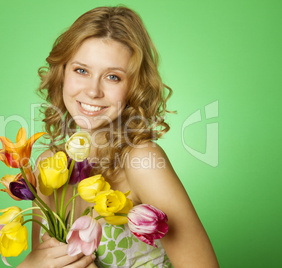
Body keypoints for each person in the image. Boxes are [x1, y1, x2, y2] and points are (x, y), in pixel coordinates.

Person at [18, 6, 219, 268]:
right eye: (81, 70)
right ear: (62, 74)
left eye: (113, 77)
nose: (93, 91)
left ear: (133, 87)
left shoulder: (142, 161)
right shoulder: (49, 164)